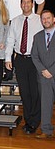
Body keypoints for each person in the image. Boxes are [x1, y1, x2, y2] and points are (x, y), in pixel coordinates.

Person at [5, 0, 43, 134]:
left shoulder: (39, 20)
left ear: (32, 4)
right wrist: (8, 59)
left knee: (35, 92)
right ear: (21, 5)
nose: (26, 5)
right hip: (20, 60)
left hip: (35, 60)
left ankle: (34, 121)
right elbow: (10, 40)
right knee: (25, 93)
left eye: (28, 2)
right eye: (24, 2)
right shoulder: (15, 21)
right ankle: (28, 121)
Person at [1, 0, 45, 81]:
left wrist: (37, 16)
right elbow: (0, 6)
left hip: (28, 21)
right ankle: (9, 72)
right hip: (11, 22)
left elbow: (41, 1)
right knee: (9, 43)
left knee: (28, 45)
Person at [31, 10, 55, 139]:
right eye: (43, 19)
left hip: (53, 73)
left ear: (54, 19)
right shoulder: (38, 36)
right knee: (45, 104)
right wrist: (43, 70)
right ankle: (46, 130)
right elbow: (34, 56)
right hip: (43, 76)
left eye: (48, 18)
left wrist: (52, 71)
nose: (46, 20)